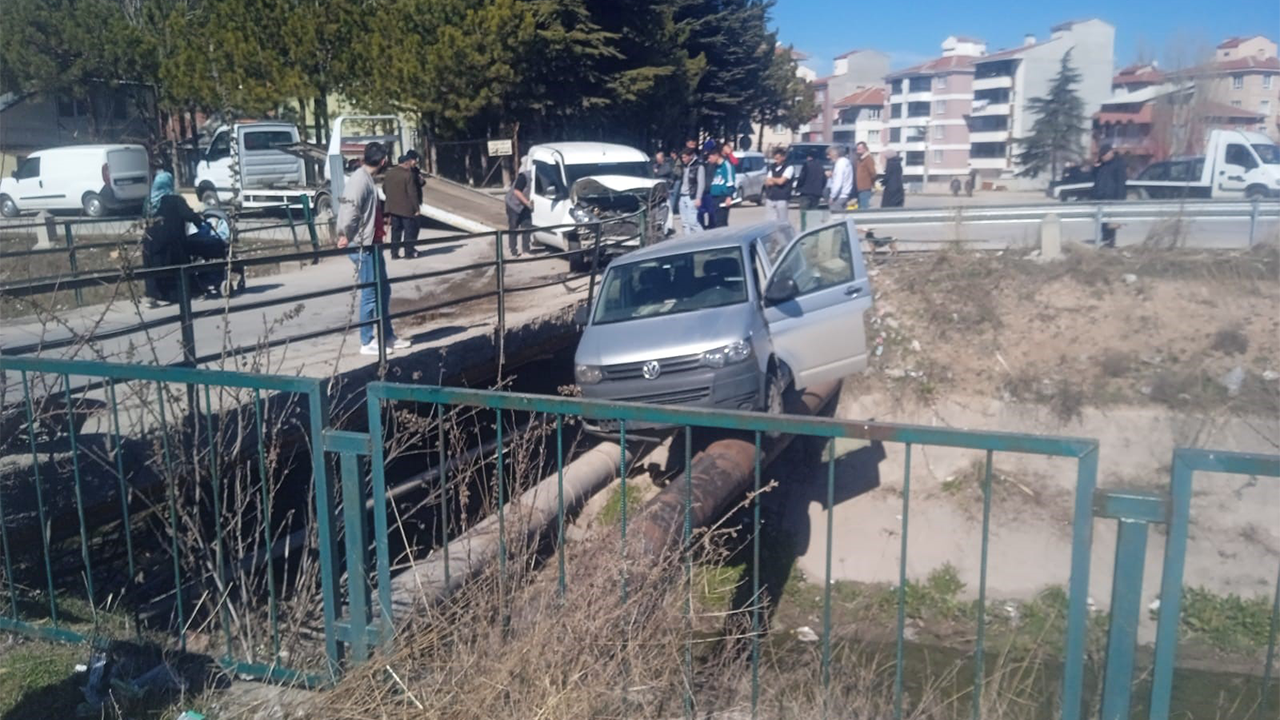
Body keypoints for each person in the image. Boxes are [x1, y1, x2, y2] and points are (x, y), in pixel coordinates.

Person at [337, 142, 409, 356]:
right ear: (384, 161)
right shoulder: (360, 181)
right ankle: (367, 340)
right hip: (363, 244)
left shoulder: (363, 179)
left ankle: (387, 336)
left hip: (371, 243)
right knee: (370, 292)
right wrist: (345, 233)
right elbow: (349, 208)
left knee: (382, 290)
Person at [142, 170, 203, 308]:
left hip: (150, 242)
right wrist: (200, 221)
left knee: (153, 268)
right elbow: (189, 215)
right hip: (171, 241)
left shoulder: (149, 201)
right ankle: (187, 292)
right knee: (180, 265)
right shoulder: (175, 200)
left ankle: (152, 297)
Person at [383, 153, 421, 260]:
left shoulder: (389, 173)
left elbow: (384, 188)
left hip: (393, 208)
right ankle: (408, 253)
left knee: (396, 231)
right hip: (406, 208)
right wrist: (416, 208)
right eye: (409, 163)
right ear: (406, 163)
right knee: (409, 231)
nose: (410, 165)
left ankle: (394, 253)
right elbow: (412, 193)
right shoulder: (407, 175)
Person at [1091, 143, 1127, 248]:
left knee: (1111, 221)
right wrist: (1095, 167)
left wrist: (1120, 199)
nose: (1103, 157)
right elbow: (1093, 177)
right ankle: (1105, 239)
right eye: (1101, 155)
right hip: (1101, 196)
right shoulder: (1102, 165)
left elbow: (1121, 182)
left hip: (1112, 196)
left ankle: (1110, 241)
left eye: (1105, 154)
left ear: (1110, 153)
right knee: (1102, 221)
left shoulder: (1118, 164)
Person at [505, 156, 534, 256]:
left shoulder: (537, 176)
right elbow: (517, 191)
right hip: (514, 204)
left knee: (527, 226)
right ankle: (513, 251)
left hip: (525, 204)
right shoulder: (524, 176)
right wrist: (527, 203)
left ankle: (526, 250)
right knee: (514, 227)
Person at [677, 146, 706, 235]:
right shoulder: (684, 167)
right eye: (682, 157)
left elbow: (701, 183)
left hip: (692, 197)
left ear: (691, 156)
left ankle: (704, 239)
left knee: (693, 222)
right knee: (685, 223)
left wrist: (698, 197)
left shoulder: (698, 167)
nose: (683, 159)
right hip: (682, 196)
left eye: (685, 157)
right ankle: (688, 242)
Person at [762, 147, 794, 224]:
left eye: (778, 158)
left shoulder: (789, 167)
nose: (776, 160)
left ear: (783, 158)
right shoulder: (772, 167)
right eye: (775, 158)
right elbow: (767, 181)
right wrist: (775, 180)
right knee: (770, 222)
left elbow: (781, 181)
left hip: (782, 198)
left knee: (782, 222)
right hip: (771, 197)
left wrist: (773, 180)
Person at [707, 147, 737, 228]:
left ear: (716, 155)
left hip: (722, 198)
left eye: (710, 157)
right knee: (713, 223)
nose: (709, 159)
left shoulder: (726, 165)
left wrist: (729, 196)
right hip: (714, 197)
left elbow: (731, 182)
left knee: (721, 222)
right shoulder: (715, 167)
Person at [826, 145, 853, 217]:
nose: (828, 157)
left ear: (835, 154)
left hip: (839, 196)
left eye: (829, 154)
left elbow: (838, 182)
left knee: (836, 217)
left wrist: (832, 196)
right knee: (843, 216)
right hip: (845, 194)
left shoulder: (840, 164)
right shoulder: (847, 162)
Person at [654, 150, 678, 214]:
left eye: (658, 158)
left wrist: (656, 172)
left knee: (667, 205)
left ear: (662, 158)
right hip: (659, 188)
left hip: (667, 188)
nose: (657, 160)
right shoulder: (657, 165)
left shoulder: (667, 165)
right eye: (657, 159)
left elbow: (661, 173)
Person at [854, 142, 876, 211]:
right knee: (859, 207)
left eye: (859, 149)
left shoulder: (868, 159)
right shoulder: (859, 159)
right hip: (859, 188)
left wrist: (870, 183)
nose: (858, 150)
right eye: (857, 149)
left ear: (865, 149)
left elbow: (873, 173)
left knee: (864, 208)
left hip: (865, 188)